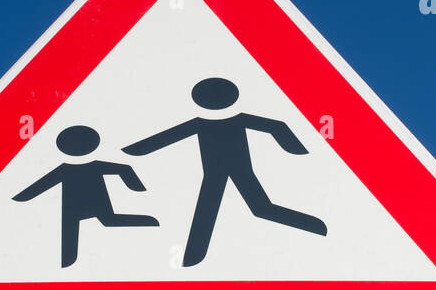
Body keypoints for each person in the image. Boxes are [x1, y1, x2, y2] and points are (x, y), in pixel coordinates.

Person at [123, 78, 327, 266]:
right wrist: (135, 150)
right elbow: (165, 138)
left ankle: (314, 226)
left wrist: (296, 148)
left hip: (237, 171)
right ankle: (193, 256)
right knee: (232, 208)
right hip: (216, 173)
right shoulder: (205, 123)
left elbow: (276, 127)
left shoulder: (223, 121)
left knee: (257, 208)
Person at [12, 125, 158, 267]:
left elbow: (123, 170)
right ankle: (67, 263)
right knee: (77, 230)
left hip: (88, 203)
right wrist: (135, 187)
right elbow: (124, 170)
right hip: (75, 206)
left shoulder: (68, 169)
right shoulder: (74, 168)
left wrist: (136, 187)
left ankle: (150, 222)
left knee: (104, 221)